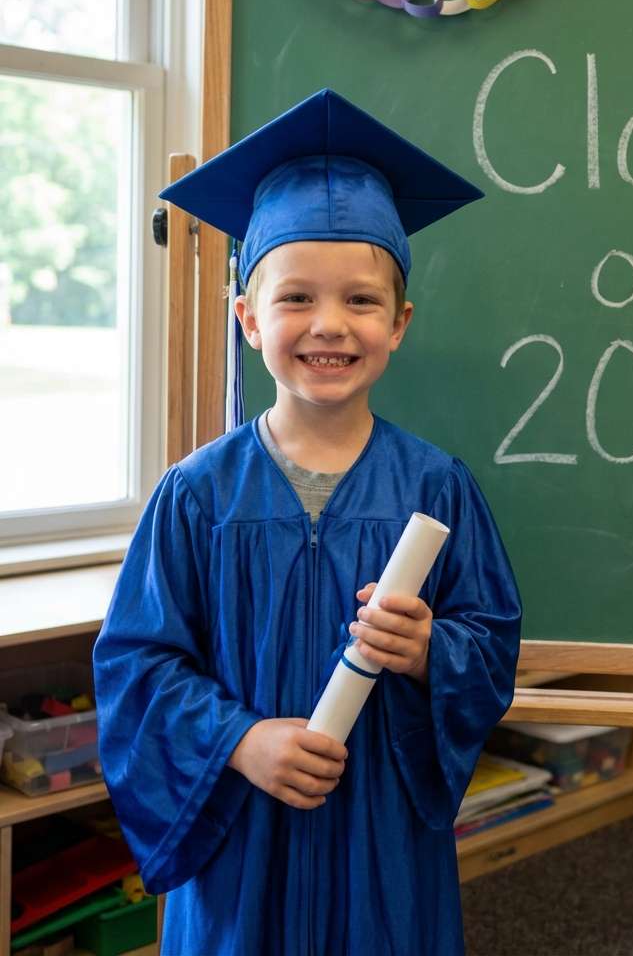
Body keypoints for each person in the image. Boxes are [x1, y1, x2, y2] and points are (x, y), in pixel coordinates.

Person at [93, 88, 523, 956]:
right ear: (248, 318)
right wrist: (240, 740)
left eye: (361, 302)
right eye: (295, 299)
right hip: (243, 827)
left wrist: (431, 649)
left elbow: (492, 640)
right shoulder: (197, 496)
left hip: (382, 828)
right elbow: (138, 667)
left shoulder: (437, 488)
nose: (329, 324)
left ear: (399, 325)